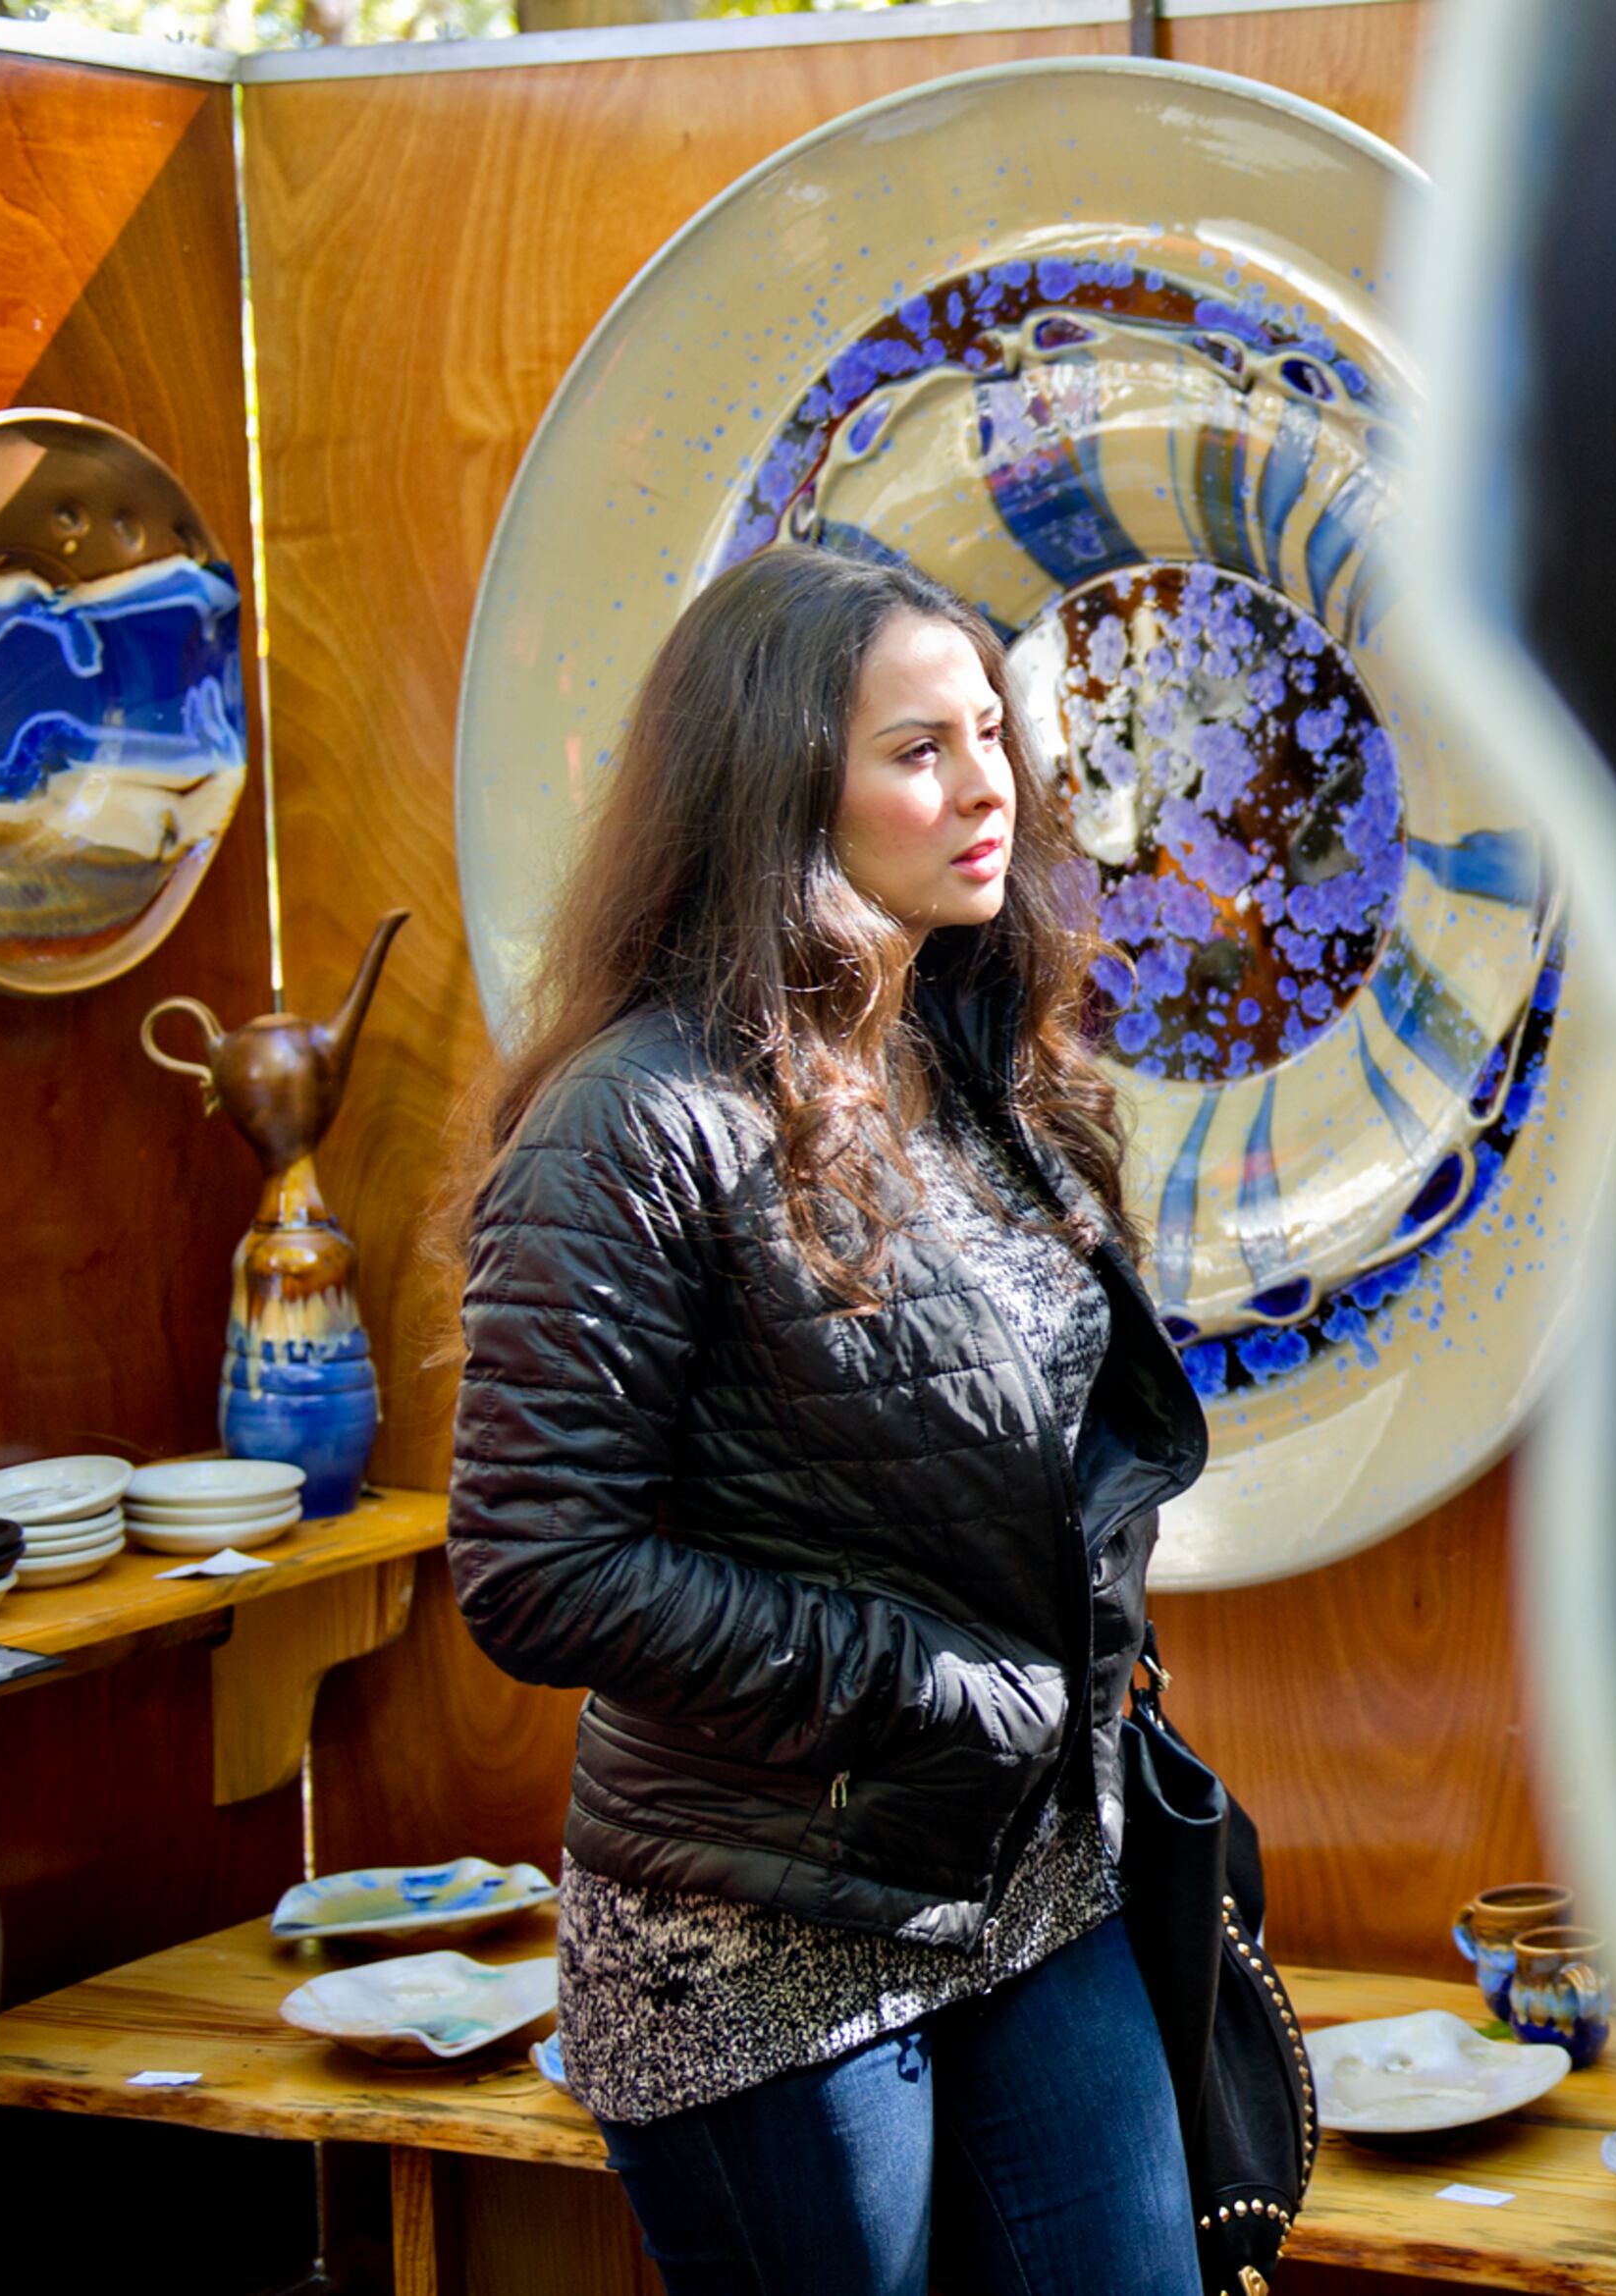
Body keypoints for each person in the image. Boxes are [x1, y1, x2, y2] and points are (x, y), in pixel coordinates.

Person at [443, 543, 1210, 2296]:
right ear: (780, 782)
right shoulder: (630, 1121)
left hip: (1030, 1881)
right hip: (755, 1944)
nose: (984, 788)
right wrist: (927, 1687)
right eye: (916, 750)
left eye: (989, 737)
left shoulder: (992, 1060)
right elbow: (537, 1570)